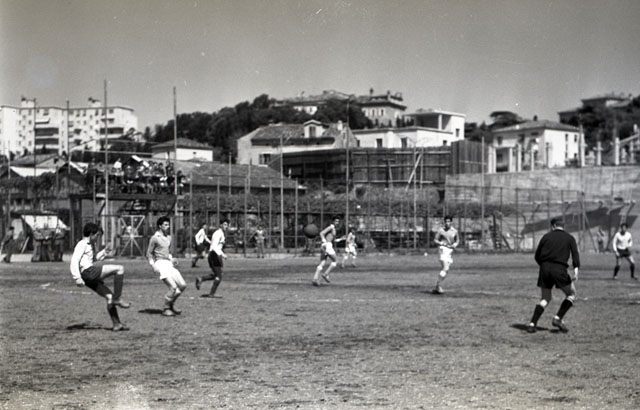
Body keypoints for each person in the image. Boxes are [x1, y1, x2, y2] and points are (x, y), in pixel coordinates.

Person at [69, 222, 130, 331]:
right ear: (91, 234)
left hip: (88, 277)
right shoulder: (82, 244)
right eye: (97, 235)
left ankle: (117, 324)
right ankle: (117, 299)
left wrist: (104, 252)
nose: (98, 238)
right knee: (119, 269)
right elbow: (74, 260)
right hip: (89, 272)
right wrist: (77, 277)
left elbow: (93, 260)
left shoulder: (89, 245)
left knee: (109, 297)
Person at [526, 218, 580, 333]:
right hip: (559, 269)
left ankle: (532, 324)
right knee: (571, 293)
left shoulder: (546, 237)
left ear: (553, 226)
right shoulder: (570, 238)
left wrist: (544, 266)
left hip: (544, 269)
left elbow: (537, 255)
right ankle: (558, 318)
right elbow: (575, 254)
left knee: (545, 298)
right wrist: (576, 269)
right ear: (563, 226)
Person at [146, 216, 186, 317]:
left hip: (168, 264)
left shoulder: (168, 237)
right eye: (165, 225)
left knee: (182, 285)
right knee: (173, 287)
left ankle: (171, 304)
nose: (168, 226)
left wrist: (172, 259)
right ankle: (166, 308)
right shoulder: (155, 238)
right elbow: (149, 254)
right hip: (160, 264)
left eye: (168, 225)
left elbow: (167, 252)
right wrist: (153, 265)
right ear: (160, 226)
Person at [195, 219, 229, 297]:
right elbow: (214, 246)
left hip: (215, 255)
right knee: (219, 276)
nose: (226, 226)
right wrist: (222, 255)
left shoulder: (220, 233)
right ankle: (211, 294)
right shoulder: (218, 233)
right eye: (225, 224)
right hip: (214, 255)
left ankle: (201, 279)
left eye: (227, 225)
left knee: (218, 274)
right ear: (220, 225)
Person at [431, 216, 459, 294]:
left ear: (451, 222)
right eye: (446, 221)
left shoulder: (454, 231)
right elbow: (435, 240)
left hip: (449, 252)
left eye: (448, 221)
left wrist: (455, 244)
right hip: (442, 250)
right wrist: (441, 243)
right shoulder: (441, 230)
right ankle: (438, 286)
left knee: (446, 270)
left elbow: (457, 240)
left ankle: (437, 286)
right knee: (445, 268)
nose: (447, 223)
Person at [312, 216, 341, 286]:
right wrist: (324, 241)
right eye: (336, 221)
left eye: (338, 221)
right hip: (327, 245)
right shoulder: (331, 227)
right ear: (333, 221)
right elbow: (321, 233)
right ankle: (325, 274)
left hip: (324, 246)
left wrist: (340, 239)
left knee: (322, 262)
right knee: (335, 261)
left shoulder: (334, 228)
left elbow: (332, 239)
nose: (337, 223)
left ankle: (315, 279)